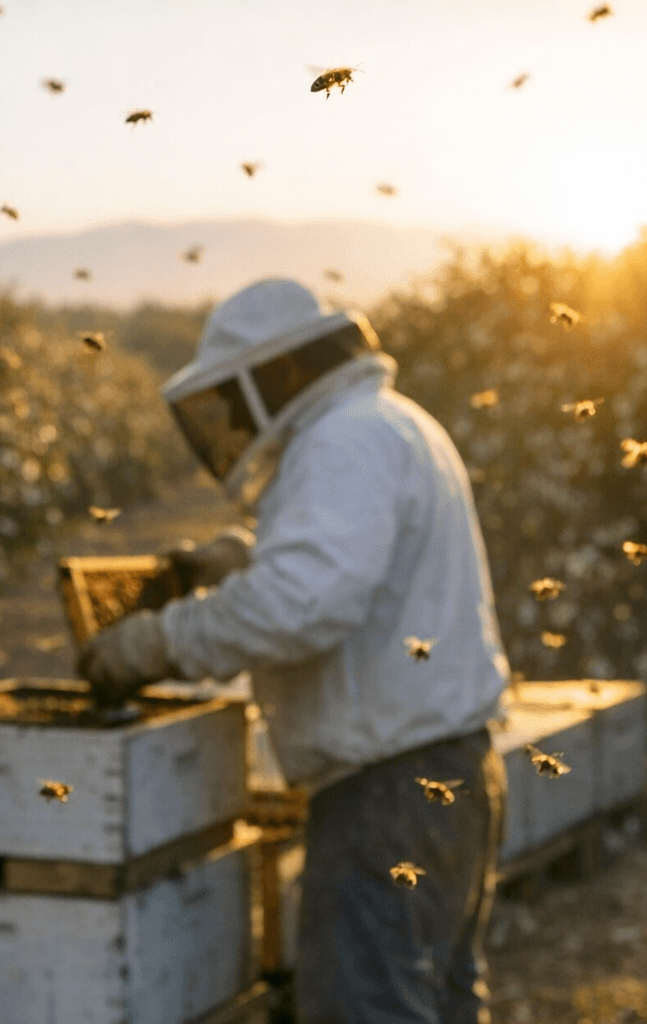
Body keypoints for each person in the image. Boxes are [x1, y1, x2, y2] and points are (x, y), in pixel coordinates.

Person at [78, 278, 509, 1024]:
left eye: (233, 402)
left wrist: (157, 641)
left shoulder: (340, 440)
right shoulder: (390, 424)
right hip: (450, 773)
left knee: (366, 1008)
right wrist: (247, 561)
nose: (233, 426)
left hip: (388, 790)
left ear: (276, 374)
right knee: (437, 1003)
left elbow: (300, 606)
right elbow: (362, 580)